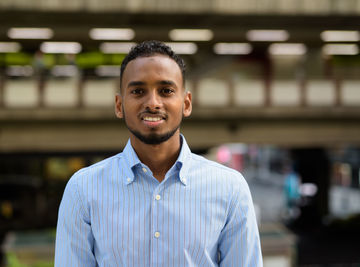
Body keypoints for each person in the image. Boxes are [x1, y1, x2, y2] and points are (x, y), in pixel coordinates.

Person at [55, 40, 262, 266]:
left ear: (186, 103)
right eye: (138, 91)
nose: (153, 103)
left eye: (166, 91)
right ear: (119, 105)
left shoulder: (230, 188)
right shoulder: (82, 190)